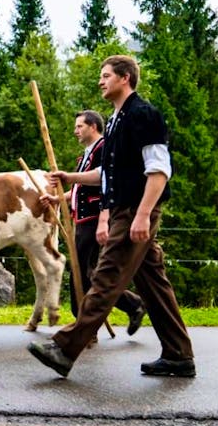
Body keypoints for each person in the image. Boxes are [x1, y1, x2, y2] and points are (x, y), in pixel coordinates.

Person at [28, 55, 195, 378]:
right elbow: (110, 172)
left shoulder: (143, 114)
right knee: (154, 284)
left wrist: (143, 215)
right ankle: (178, 355)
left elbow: (159, 170)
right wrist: (71, 178)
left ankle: (64, 349)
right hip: (125, 207)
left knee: (105, 276)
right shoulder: (117, 118)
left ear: (125, 78)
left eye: (106, 76)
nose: (100, 81)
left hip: (134, 209)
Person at [40, 110, 146, 335]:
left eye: (79, 126)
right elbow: (79, 189)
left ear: (93, 127)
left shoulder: (104, 148)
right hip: (83, 219)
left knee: (84, 272)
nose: (75, 131)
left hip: (97, 218)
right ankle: (121, 309)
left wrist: (69, 177)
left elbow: (103, 177)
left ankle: (84, 325)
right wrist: (58, 199)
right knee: (87, 272)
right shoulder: (86, 155)